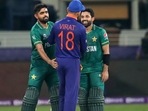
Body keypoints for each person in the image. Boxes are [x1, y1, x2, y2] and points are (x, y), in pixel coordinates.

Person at [48, 0, 87, 111]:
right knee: (71, 92)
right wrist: (80, 61)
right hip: (73, 60)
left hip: (59, 60)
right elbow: (84, 49)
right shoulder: (80, 28)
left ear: (67, 10)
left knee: (62, 91)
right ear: (78, 13)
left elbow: (50, 41)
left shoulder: (57, 24)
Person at [21, 4, 59, 111]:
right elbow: (40, 49)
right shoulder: (35, 30)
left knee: (57, 96)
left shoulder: (52, 25)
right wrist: (49, 61)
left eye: (46, 12)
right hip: (38, 67)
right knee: (31, 97)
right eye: (42, 13)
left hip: (53, 67)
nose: (45, 15)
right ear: (36, 16)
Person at [78, 8, 110, 111]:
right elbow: (73, 52)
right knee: (83, 101)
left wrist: (105, 70)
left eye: (87, 16)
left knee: (96, 100)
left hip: (96, 70)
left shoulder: (100, 32)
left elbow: (106, 53)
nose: (84, 19)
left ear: (93, 18)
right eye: (82, 17)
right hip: (82, 70)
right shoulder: (77, 33)